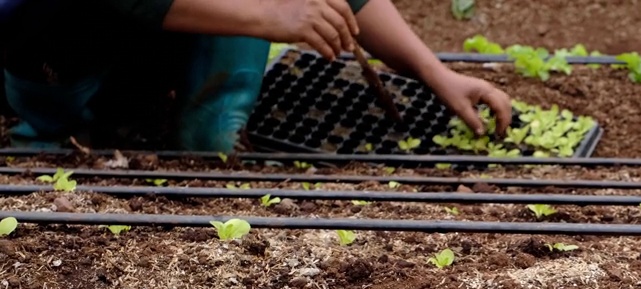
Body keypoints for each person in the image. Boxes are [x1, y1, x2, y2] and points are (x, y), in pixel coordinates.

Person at [0, 0, 511, 152]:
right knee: (70, 123)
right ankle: (53, 127)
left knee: (206, 137)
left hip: (170, 36)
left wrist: (432, 71)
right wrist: (270, 16)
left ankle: (194, 129)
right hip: (61, 48)